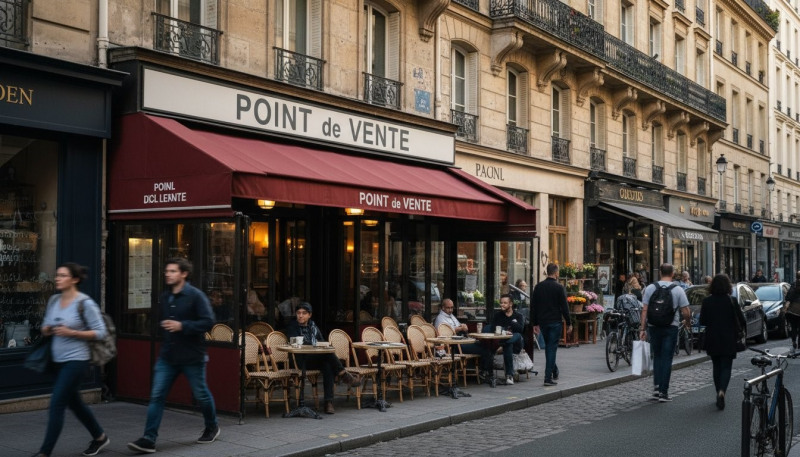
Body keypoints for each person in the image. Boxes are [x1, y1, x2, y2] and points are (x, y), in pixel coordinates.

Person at [128, 258, 219, 454]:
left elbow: (208, 322)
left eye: (172, 271)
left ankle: (212, 426)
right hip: (168, 356)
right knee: (157, 396)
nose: (167, 274)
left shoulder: (196, 296)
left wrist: (182, 326)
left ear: (184, 274)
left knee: (201, 394)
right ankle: (149, 439)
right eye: (166, 271)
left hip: (192, 356)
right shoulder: (165, 297)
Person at [34, 263, 110, 457]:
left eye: (63, 275)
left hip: (77, 360)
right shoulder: (53, 300)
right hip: (56, 361)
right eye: (57, 275)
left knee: (57, 403)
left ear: (74, 279)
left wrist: (73, 332)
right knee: (75, 402)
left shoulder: (85, 303)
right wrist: (48, 329)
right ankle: (100, 437)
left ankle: (45, 452)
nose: (57, 278)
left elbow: (101, 332)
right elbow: (44, 327)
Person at [286, 303, 361, 414]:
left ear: (309, 315)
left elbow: (321, 341)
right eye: (298, 313)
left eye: (304, 313)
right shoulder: (292, 326)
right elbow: (294, 341)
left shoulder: (313, 326)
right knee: (328, 354)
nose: (300, 316)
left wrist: (317, 344)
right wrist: (313, 344)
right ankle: (343, 374)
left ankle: (328, 403)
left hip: (313, 359)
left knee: (328, 365)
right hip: (300, 360)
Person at [639, 263, 691, 402]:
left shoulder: (650, 288)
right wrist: (687, 322)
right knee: (667, 358)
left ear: (660, 272)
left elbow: (644, 310)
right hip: (671, 327)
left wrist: (642, 328)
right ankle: (664, 392)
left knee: (657, 356)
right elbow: (686, 310)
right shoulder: (678, 289)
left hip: (654, 326)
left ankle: (656, 388)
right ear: (672, 273)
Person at [699, 274, 746, 410]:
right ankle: (722, 391)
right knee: (726, 366)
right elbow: (741, 320)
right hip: (729, 338)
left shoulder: (707, 301)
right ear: (728, 286)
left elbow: (703, 321)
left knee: (716, 366)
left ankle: (718, 391)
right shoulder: (731, 300)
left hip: (712, 337)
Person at [433, 299, 494, 383]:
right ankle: (485, 372)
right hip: (454, 346)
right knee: (484, 349)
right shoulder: (440, 318)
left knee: (484, 346)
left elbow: (458, 325)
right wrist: (460, 328)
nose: (450, 310)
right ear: (443, 307)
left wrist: (463, 326)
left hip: (460, 341)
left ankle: (484, 370)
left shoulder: (451, 315)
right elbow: (447, 331)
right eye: (448, 308)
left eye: (452, 308)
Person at [531, 263, 571, 387]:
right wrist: (569, 322)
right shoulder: (559, 287)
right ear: (556, 273)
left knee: (549, 347)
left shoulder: (538, 287)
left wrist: (535, 323)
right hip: (555, 322)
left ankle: (554, 370)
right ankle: (547, 378)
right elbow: (565, 307)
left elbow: (533, 306)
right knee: (551, 348)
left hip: (543, 322)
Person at [491, 294, 526, 385]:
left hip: (517, 344)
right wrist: (505, 331)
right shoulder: (498, 315)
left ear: (510, 304)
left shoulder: (518, 316)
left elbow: (520, 329)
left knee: (517, 335)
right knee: (508, 345)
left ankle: (505, 344)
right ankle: (509, 376)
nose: (502, 305)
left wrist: (511, 322)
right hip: (504, 343)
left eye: (505, 303)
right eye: (501, 303)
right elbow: (493, 329)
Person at [783, 271, 800, 350]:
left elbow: (789, 297)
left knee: (794, 327)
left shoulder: (794, 285)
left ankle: (794, 341)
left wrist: (786, 308)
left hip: (793, 310)